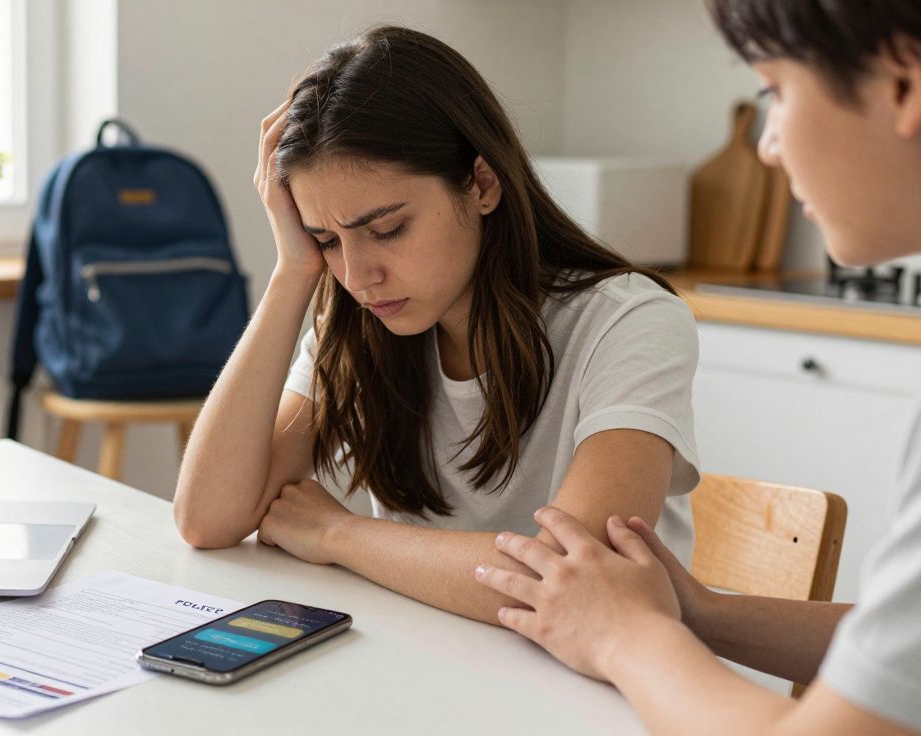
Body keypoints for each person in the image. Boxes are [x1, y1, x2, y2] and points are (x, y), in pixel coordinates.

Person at [475, 1, 921, 732]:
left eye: (774, 90)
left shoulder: (630, 313)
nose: (769, 145)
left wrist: (625, 635)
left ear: (902, 84)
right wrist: (698, 611)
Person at [174, 25, 701, 626]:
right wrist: (292, 271)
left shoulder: (628, 323)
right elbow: (205, 519)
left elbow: (564, 582)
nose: (358, 275)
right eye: (327, 240)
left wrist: (339, 534)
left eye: (387, 229)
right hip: (439, 664)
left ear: (480, 183)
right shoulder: (358, 317)